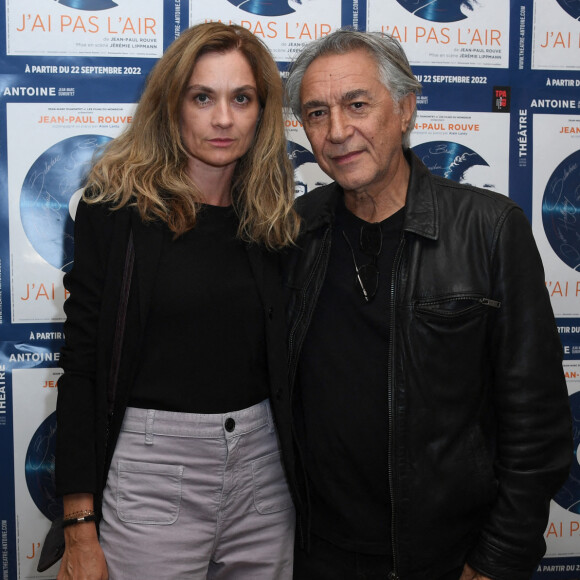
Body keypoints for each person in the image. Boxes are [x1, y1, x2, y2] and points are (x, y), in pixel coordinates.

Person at [284, 29, 572, 580]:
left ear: (406, 107)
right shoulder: (295, 232)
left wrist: (495, 562)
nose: (338, 131)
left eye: (357, 105)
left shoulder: (488, 229)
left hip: (448, 559)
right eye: (317, 113)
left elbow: (538, 427)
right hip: (316, 555)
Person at [55, 22, 300, 580]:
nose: (223, 119)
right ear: (172, 105)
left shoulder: (277, 217)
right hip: (150, 475)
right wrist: (78, 524)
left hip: (264, 477)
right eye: (202, 97)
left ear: (262, 111)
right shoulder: (115, 212)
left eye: (242, 98)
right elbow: (83, 365)